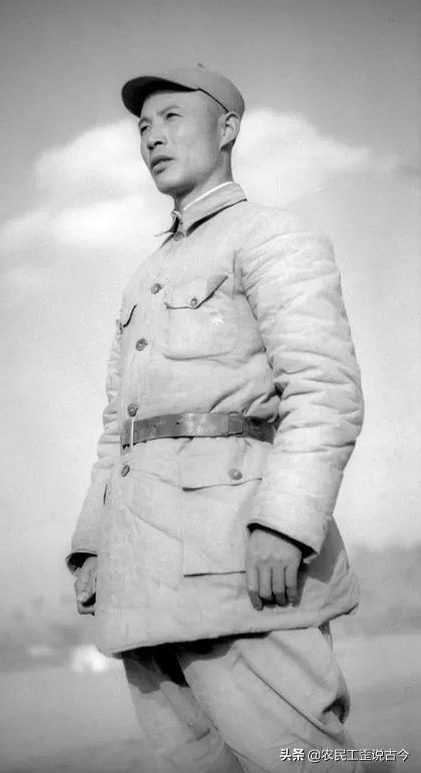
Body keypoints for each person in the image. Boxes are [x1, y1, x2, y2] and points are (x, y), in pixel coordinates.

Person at [67, 65, 364, 773]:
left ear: (228, 128)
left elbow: (324, 390)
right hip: (142, 586)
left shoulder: (272, 236)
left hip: (240, 566)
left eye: (172, 117)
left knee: (303, 764)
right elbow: (118, 428)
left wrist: (284, 526)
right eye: (144, 126)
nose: (152, 136)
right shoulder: (142, 276)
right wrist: (94, 544)